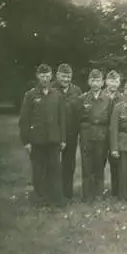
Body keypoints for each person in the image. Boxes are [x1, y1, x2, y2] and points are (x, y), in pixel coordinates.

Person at [19, 64, 66, 207]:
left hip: (53, 139)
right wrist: (26, 141)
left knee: (54, 170)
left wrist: (63, 139)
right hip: (37, 140)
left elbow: (61, 119)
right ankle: (40, 199)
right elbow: (24, 119)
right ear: (37, 77)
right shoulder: (30, 95)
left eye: (47, 76)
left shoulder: (57, 95)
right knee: (38, 170)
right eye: (42, 76)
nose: (45, 79)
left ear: (51, 76)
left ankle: (55, 199)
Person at [78, 69, 111, 203]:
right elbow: (78, 118)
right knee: (86, 165)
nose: (95, 83)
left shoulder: (108, 100)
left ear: (102, 82)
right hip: (87, 135)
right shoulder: (82, 98)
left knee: (99, 165)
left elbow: (110, 120)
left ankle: (98, 194)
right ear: (88, 81)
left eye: (98, 80)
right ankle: (87, 194)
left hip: (101, 135)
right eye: (93, 80)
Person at [52, 63, 83, 200]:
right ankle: (53, 193)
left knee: (69, 164)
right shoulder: (51, 89)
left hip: (71, 133)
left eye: (69, 76)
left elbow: (81, 113)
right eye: (63, 76)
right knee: (52, 164)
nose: (66, 79)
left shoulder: (77, 91)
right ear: (57, 75)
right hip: (54, 133)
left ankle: (67, 193)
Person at [104, 70, 123, 197]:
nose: (113, 84)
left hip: (116, 135)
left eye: (116, 81)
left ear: (119, 83)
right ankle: (96, 192)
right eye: (111, 81)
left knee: (116, 164)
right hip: (102, 133)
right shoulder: (101, 96)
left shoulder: (122, 98)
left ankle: (116, 192)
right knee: (98, 163)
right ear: (106, 82)